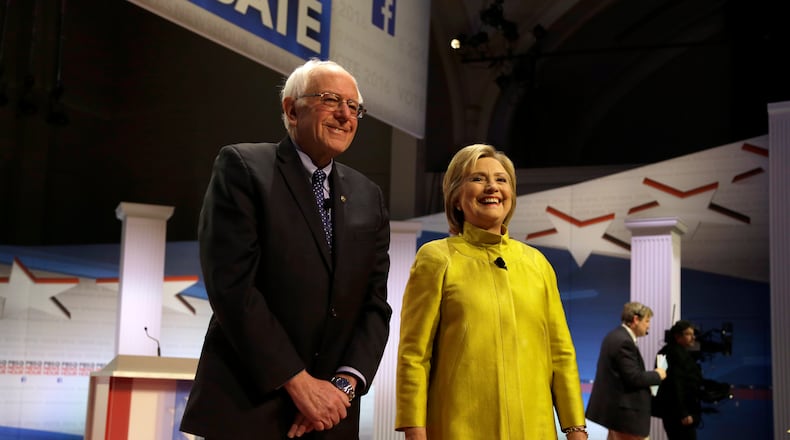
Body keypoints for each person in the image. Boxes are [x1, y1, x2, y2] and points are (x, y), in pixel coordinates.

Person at [180, 59, 392, 440]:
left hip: (330, 418)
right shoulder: (244, 168)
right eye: (331, 100)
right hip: (249, 408)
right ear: (292, 109)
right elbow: (233, 288)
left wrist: (341, 388)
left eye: (354, 107)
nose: (346, 115)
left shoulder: (368, 196)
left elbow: (374, 305)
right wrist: (299, 383)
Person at [394, 143, 588, 439]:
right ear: (456, 198)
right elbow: (415, 354)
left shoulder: (537, 263)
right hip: (459, 428)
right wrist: (414, 428)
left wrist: (575, 427)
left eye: (501, 180)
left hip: (534, 429)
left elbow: (560, 353)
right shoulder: (436, 258)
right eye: (477, 179)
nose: (492, 187)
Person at [586, 301, 667, 440]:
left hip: (616, 415)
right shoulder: (624, 341)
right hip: (625, 417)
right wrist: (658, 374)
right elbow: (634, 378)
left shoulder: (615, 336)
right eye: (647, 321)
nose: (649, 325)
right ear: (636, 319)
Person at [652, 320, 703, 439]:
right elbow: (675, 385)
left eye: (693, 334)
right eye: (688, 334)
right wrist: (684, 413)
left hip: (672, 413)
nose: (693, 337)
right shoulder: (676, 354)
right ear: (677, 336)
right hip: (679, 415)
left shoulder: (666, 352)